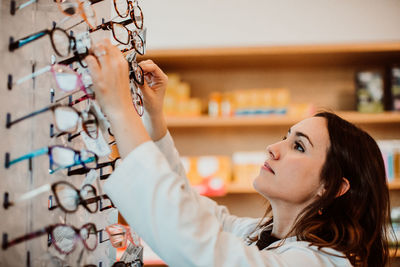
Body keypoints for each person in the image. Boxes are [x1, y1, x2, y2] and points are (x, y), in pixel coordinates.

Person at [86, 39, 394, 267]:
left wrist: (119, 108)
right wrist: (155, 119)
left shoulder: (319, 263)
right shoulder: (261, 233)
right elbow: (192, 213)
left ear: (332, 187)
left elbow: (200, 249)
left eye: (298, 146)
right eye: (284, 138)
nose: (273, 149)